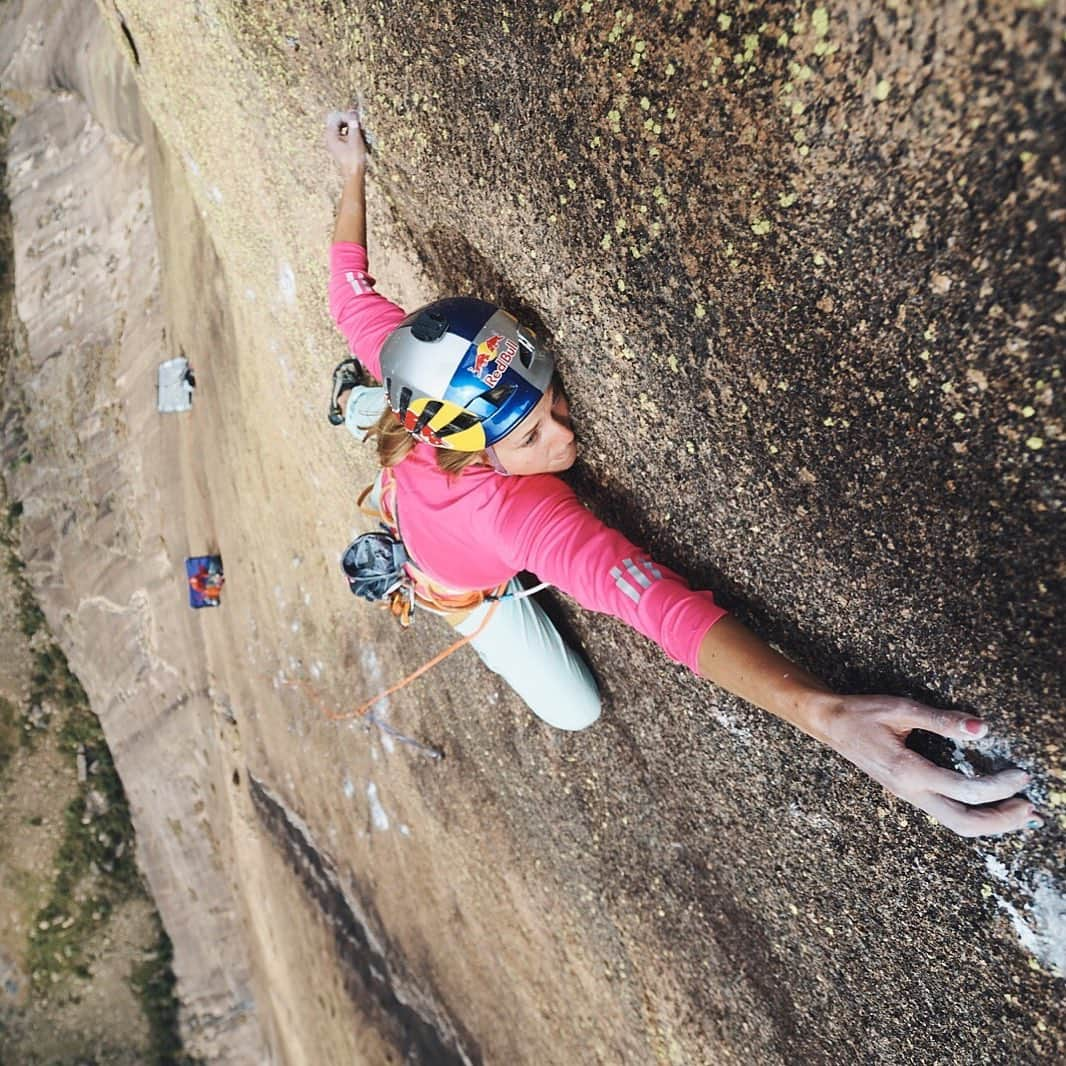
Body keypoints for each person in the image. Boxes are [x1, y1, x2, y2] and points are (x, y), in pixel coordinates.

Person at [324, 108, 1040, 838]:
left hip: (409, 473)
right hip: (458, 584)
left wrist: (351, 172)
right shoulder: (517, 515)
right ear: (481, 454)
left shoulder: (412, 370)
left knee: (385, 402)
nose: (564, 437)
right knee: (577, 711)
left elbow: (346, 291)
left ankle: (359, 406)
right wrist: (824, 716)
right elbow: (653, 605)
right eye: (533, 434)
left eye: (553, 401)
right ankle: (369, 449)